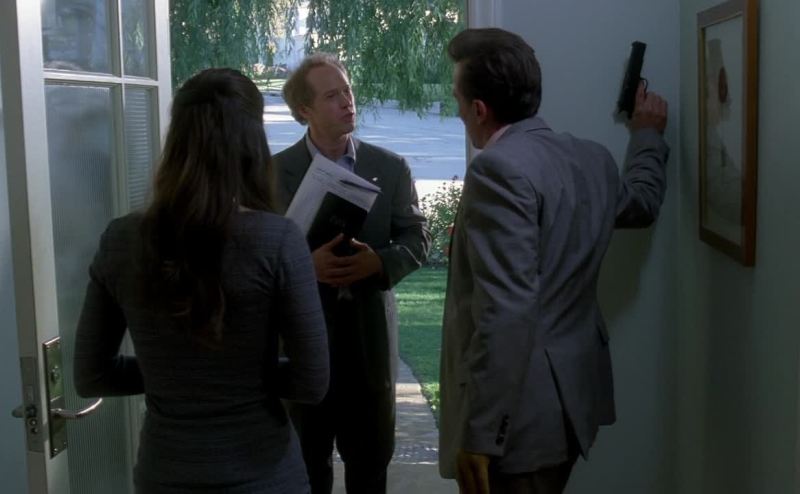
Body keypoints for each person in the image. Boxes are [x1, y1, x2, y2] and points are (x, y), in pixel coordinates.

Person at [73, 68, 329, 494]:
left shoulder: (122, 239)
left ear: (176, 140)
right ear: (253, 143)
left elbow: (91, 376)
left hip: (165, 474)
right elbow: (312, 381)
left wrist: (174, 378)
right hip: (264, 475)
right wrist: (238, 378)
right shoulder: (277, 240)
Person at [438, 28, 669, 494]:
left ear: (478, 109)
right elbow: (642, 204)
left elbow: (507, 311)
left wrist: (480, 434)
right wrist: (646, 136)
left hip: (517, 420)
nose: (458, 111)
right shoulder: (592, 159)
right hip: (570, 403)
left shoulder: (496, 169)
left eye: (458, 99)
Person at [273, 53, 431, 493]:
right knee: (306, 472)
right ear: (304, 110)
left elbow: (417, 237)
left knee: (370, 470)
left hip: (368, 345)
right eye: (332, 95)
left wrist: (379, 262)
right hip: (301, 348)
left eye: (347, 91)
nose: (347, 101)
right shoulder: (271, 173)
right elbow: (252, 258)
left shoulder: (390, 168)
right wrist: (305, 267)